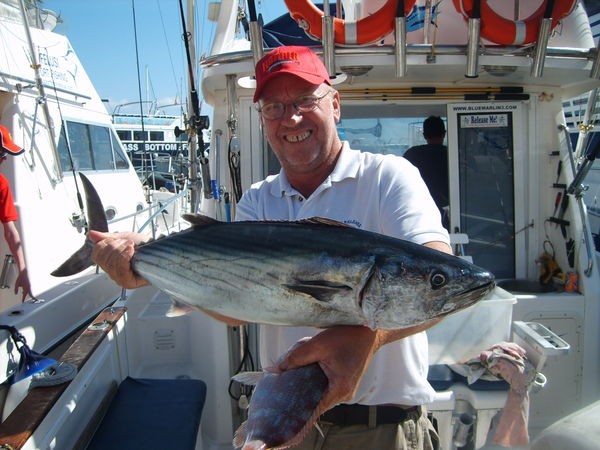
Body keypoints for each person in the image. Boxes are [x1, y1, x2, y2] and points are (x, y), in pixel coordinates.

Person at [90, 46, 451, 450]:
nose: (291, 118)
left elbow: (435, 281)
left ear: (334, 104)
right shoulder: (259, 201)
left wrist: (368, 338)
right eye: (274, 107)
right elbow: (233, 305)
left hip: (380, 428)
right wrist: (148, 268)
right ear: (262, 120)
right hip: (282, 419)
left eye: (304, 100)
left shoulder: (388, 177)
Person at [0, 125, 32, 302]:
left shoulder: (1, 184)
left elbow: (10, 231)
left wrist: (23, 271)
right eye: (2, 153)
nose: (4, 159)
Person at [403, 116, 449, 229]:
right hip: (447, 212)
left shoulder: (411, 154)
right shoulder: (453, 155)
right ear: (444, 134)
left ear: (424, 135)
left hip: (418, 212)